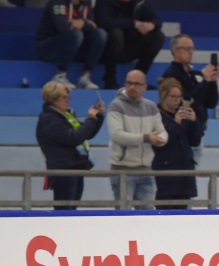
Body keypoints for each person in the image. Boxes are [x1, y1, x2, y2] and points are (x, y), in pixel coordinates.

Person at [35, 80, 104, 210]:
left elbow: (85, 134)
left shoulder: (66, 116)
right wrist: (90, 119)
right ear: (53, 99)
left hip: (74, 168)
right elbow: (73, 138)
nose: (68, 100)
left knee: (72, 210)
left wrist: (98, 117)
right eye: (64, 98)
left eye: (68, 97)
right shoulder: (49, 119)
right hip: (63, 171)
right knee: (64, 211)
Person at [107, 69, 166, 209]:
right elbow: (117, 135)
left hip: (146, 170)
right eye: (129, 83)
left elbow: (162, 131)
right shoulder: (116, 105)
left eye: (136, 84)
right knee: (123, 216)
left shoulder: (151, 106)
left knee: (148, 216)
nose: (132, 87)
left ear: (145, 86)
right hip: (122, 170)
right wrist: (146, 138)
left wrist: (161, 139)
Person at [160, 34, 219, 163]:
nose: (191, 52)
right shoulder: (171, 74)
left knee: (193, 176)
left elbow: (211, 103)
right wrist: (204, 81)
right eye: (186, 48)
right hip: (181, 133)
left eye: (192, 48)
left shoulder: (195, 75)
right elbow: (186, 101)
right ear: (175, 51)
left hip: (197, 131)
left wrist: (212, 82)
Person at [152, 79, 202, 209]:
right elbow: (161, 142)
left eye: (179, 97)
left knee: (183, 216)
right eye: (172, 97)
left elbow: (195, 141)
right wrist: (176, 123)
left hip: (184, 174)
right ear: (163, 96)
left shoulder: (182, 113)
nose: (177, 101)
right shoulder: (155, 115)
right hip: (165, 174)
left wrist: (194, 122)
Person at [35, 0, 106, 90]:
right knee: (76, 34)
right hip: (49, 47)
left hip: (73, 45)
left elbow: (92, 26)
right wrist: (84, 22)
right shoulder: (57, 2)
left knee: (100, 34)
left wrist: (82, 23)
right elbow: (63, 27)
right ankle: (60, 75)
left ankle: (85, 77)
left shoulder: (86, 3)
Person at [95, 0, 164, 90]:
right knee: (116, 33)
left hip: (129, 47)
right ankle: (109, 80)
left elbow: (157, 19)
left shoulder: (138, 4)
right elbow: (103, 21)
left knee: (158, 36)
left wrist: (152, 24)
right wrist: (133, 23)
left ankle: (138, 81)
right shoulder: (104, 2)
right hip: (107, 50)